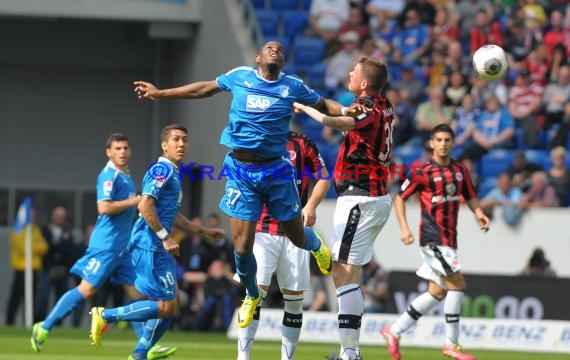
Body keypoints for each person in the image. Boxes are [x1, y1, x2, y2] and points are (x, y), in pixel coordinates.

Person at [133, 41, 358, 330]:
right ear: (258, 57)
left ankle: (315, 245)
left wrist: (347, 111)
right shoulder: (241, 76)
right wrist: (161, 93)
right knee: (241, 248)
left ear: (283, 59)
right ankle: (252, 294)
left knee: (297, 236)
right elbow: (204, 88)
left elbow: (325, 104)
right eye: (269, 46)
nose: (274, 49)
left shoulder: (292, 85)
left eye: (279, 48)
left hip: (276, 170)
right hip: (241, 171)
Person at [30, 133, 175, 359]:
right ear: (109, 152)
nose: (122, 152)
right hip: (106, 245)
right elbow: (104, 208)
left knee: (138, 294)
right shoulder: (109, 175)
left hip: (123, 247)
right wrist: (136, 201)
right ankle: (44, 326)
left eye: (126, 147)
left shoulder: (126, 175)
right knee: (86, 289)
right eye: (117, 148)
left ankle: (146, 346)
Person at [88, 124, 225, 360]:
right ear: (164, 145)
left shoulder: (172, 171)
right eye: (175, 140)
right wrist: (165, 237)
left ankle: (140, 353)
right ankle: (105, 316)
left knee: (173, 305)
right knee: (166, 306)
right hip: (149, 244)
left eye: (184, 140)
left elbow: (171, 214)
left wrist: (203, 231)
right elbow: (145, 204)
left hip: (155, 244)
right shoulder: (161, 170)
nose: (181, 144)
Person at [294, 56, 395, 360]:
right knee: (349, 275)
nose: (349, 73)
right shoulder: (383, 104)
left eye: (354, 72)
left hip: (359, 198)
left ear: (364, 82)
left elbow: (334, 120)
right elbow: (347, 115)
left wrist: (304, 108)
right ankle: (349, 351)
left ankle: (350, 353)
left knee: (342, 274)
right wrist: (313, 97)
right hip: (371, 198)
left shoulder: (366, 107)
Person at [381, 124, 490, 360]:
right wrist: (404, 229)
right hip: (432, 238)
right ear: (432, 143)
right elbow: (400, 198)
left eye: (447, 140)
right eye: (438, 139)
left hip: (450, 240)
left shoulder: (460, 170)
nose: (443, 144)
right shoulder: (421, 171)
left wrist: (479, 213)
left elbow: (470, 196)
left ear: (452, 143)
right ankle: (451, 344)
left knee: (436, 292)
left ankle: (394, 330)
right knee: (458, 284)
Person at [236, 131, 331, 360]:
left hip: (294, 231)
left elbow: (324, 177)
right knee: (254, 295)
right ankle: (243, 357)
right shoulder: (256, 137)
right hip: (262, 229)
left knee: (294, 302)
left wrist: (311, 205)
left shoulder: (303, 142)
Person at [6, 208, 48, 325]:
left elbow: (44, 246)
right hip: (21, 268)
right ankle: (10, 322)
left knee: (31, 298)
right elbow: (23, 249)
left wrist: (33, 247)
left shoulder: (35, 229)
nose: (32, 217)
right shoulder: (17, 230)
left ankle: (29, 322)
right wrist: (35, 247)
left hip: (33, 268)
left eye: (33, 215)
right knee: (16, 297)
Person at [37, 206, 75, 322]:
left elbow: (69, 250)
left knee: (60, 299)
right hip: (47, 269)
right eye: (57, 215)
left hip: (62, 270)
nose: (59, 218)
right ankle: (39, 321)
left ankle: (57, 323)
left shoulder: (67, 231)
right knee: (43, 298)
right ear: (52, 216)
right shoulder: (44, 230)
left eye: (62, 216)